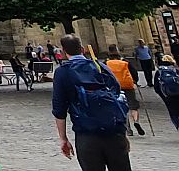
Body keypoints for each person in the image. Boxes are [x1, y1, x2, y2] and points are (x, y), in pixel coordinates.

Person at [52, 34, 131, 171]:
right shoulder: (100, 66)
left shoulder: (62, 73)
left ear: (64, 52)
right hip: (113, 133)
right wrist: (122, 131)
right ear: (82, 49)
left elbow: (59, 110)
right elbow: (118, 98)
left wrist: (63, 139)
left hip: (86, 135)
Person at [106, 46, 144, 136]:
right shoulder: (125, 61)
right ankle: (136, 121)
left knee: (121, 107)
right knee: (133, 106)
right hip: (127, 85)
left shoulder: (106, 63)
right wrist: (134, 82)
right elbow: (134, 73)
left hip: (114, 87)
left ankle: (128, 129)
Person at [152, 53, 179, 130]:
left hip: (168, 95)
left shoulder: (159, 72)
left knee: (173, 112)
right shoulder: (176, 70)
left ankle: (177, 125)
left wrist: (163, 95)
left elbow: (156, 87)